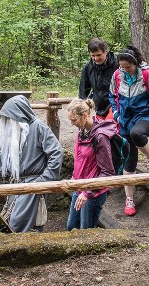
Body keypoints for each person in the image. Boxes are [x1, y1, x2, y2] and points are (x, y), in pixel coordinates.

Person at [0, 95, 63, 232]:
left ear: (19, 113)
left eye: (10, 117)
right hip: (17, 185)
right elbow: (4, 157)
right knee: (9, 223)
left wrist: (43, 181)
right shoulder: (16, 132)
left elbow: (56, 153)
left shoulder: (39, 128)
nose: (9, 122)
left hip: (32, 186)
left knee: (20, 224)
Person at [109, 45, 149, 216]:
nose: (125, 70)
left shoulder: (147, 75)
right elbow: (112, 96)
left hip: (145, 116)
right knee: (129, 160)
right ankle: (129, 199)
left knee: (137, 133)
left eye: (128, 67)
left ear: (136, 63)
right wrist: (117, 114)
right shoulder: (117, 75)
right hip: (124, 118)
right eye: (122, 67)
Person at [66, 98, 115, 230]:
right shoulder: (82, 131)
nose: (71, 123)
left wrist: (88, 193)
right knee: (71, 227)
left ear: (85, 116)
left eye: (73, 120)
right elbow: (79, 160)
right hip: (80, 186)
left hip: (94, 192)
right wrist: (73, 180)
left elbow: (107, 172)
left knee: (86, 231)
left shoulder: (100, 137)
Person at [79, 38, 119, 120]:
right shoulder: (88, 68)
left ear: (106, 52)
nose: (96, 58)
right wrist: (82, 107)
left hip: (116, 105)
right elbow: (83, 90)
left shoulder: (117, 64)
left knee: (107, 127)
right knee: (96, 129)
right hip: (99, 107)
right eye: (93, 56)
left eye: (99, 55)